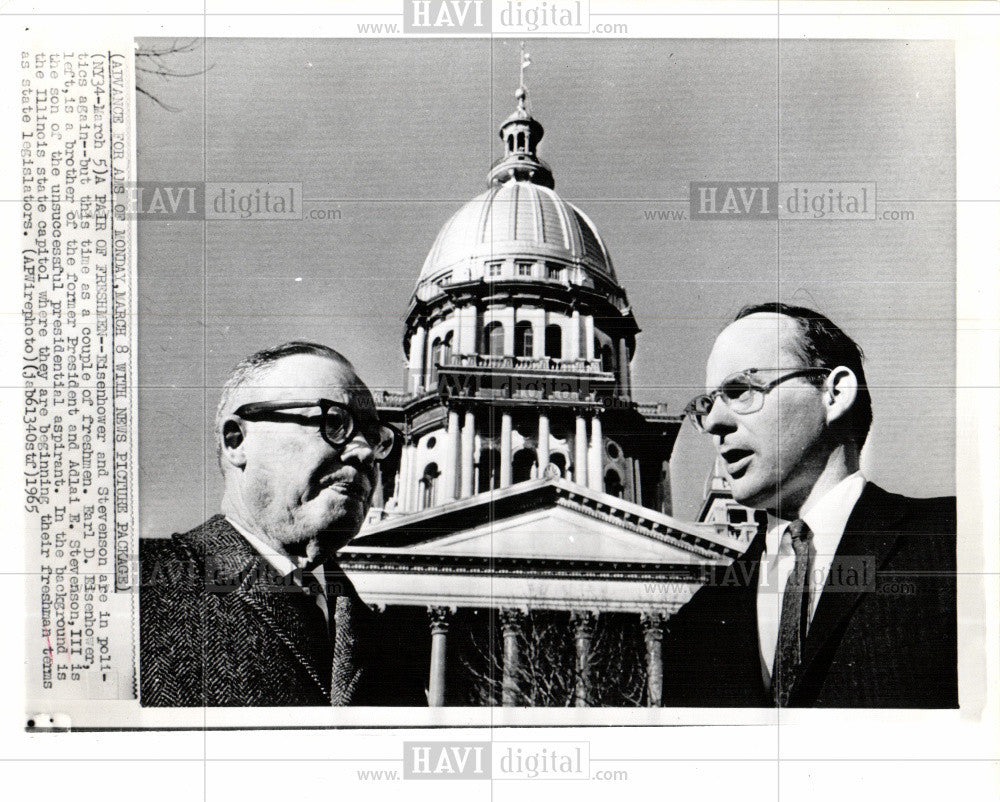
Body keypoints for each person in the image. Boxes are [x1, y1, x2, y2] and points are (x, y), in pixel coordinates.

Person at [665, 303, 956, 708]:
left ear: (834, 394)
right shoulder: (696, 622)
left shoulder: (956, 544)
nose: (714, 422)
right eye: (707, 404)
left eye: (739, 391)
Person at [140, 341, 418, 706]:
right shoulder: (139, 588)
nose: (364, 451)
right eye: (334, 422)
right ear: (236, 441)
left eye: (374, 436)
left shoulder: (391, 645)